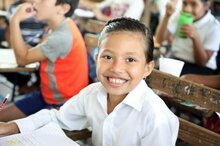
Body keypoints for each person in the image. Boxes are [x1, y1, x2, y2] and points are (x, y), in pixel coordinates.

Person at [0, 17, 179, 146]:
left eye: (130, 60)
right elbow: (58, 118)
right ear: (96, 58)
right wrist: (12, 127)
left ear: (148, 68)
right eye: (107, 57)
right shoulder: (93, 93)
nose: (116, 68)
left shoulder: (155, 117)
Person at [0, 0, 89, 122]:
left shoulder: (62, 36)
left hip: (63, 106)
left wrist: (15, 19)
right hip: (45, 96)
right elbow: (30, 53)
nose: (35, 2)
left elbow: (22, 59)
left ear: (63, 8)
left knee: (9, 129)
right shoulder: (59, 27)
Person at [155, 0, 220, 75]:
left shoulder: (214, 27)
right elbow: (159, 40)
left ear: (206, 5)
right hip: (176, 60)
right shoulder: (179, 15)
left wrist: (195, 38)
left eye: (193, 4)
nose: (187, 9)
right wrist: (167, 16)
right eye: (184, 3)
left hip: (199, 69)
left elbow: (202, 63)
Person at [79, 0, 144, 21]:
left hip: (119, 34)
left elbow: (126, 22)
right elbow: (98, 6)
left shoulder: (138, 2)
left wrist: (101, 17)